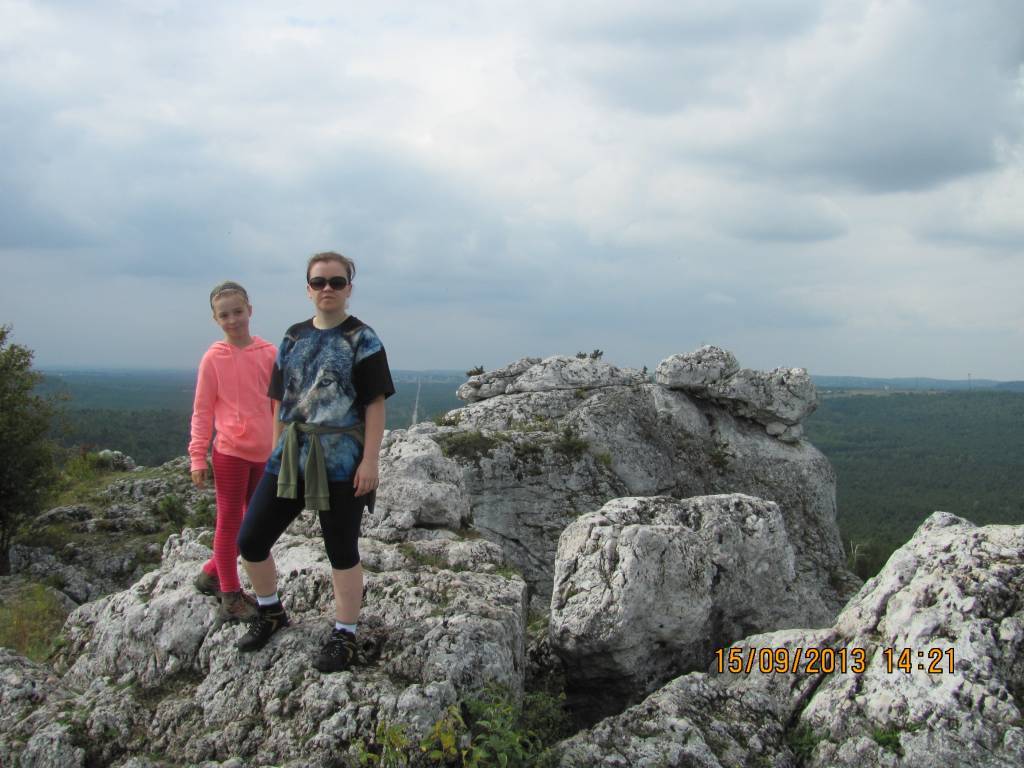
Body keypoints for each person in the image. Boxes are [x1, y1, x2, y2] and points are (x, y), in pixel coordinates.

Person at [236, 251, 395, 673]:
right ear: (308, 289)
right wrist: (276, 452)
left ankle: (345, 633)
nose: (328, 288)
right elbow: (280, 401)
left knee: (341, 550)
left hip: (341, 460)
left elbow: (375, 404)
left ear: (349, 288)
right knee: (250, 540)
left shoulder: (363, 339)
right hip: (291, 454)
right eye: (319, 282)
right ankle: (271, 610)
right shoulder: (293, 337)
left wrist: (370, 461)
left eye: (336, 282)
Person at [188, 281, 278, 621]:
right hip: (229, 453)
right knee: (230, 522)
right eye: (224, 315)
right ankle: (230, 594)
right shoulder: (213, 359)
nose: (232, 320)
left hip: (264, 453)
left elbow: (280, 405)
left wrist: (284, 446)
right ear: (215, 319)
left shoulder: (269, 353)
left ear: (249, 311)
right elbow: (202, 411)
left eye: (238, 312)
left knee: (255, 524)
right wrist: (197, 456)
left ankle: (211, 573)